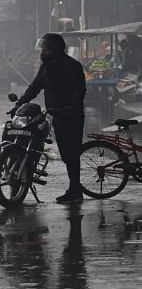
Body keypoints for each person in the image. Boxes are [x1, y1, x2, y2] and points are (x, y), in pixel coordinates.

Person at [14, 33, 86, 204]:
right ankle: (73, 187)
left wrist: (70, 107)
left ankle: (75, 190)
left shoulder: (72, 66)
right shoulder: (46, 67)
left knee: (71, 154)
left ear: (55, 49)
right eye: (43, 49)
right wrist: (19, 103)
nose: (43, 52)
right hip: (56, 115)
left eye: (46, 49)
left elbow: (79, 90)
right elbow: (35, 87)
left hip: (71, 116)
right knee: (65, 152)